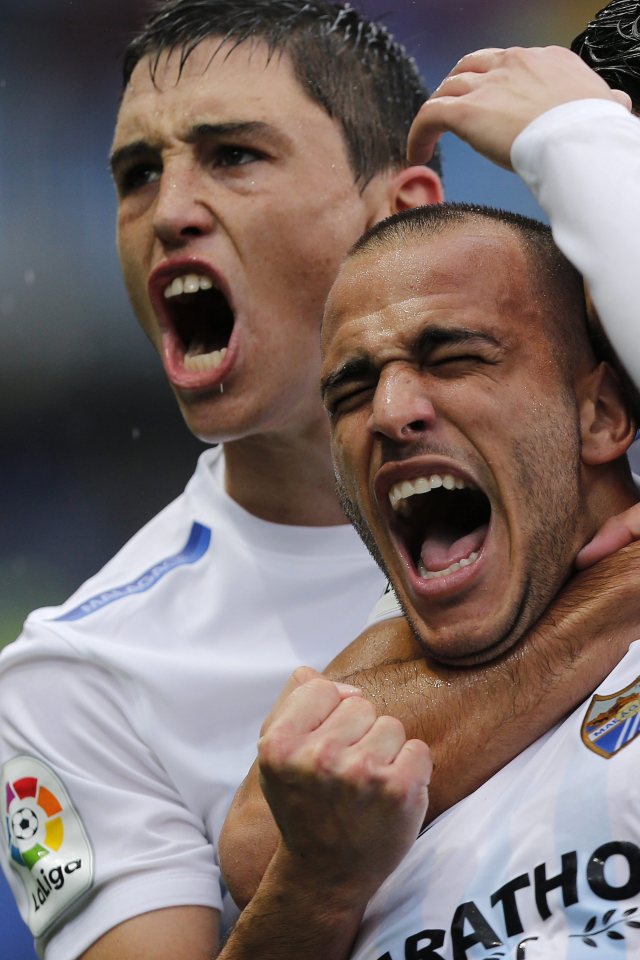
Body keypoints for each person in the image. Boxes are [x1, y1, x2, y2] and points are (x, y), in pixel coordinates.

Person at [0, 2, 637, 957]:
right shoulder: (82, 676)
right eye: (137, 174)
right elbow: (260, 847)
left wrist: (580, 141)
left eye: (234, 156)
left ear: (404, 206)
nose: (168, 211)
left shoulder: (597, 395)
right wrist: (312, 882)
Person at [238, 202, 640, 959]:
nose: (389, 413)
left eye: (453, 357)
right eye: (350, 392)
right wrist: (315, 888)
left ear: (602, 414)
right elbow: (252, 841)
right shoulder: (350, 804)